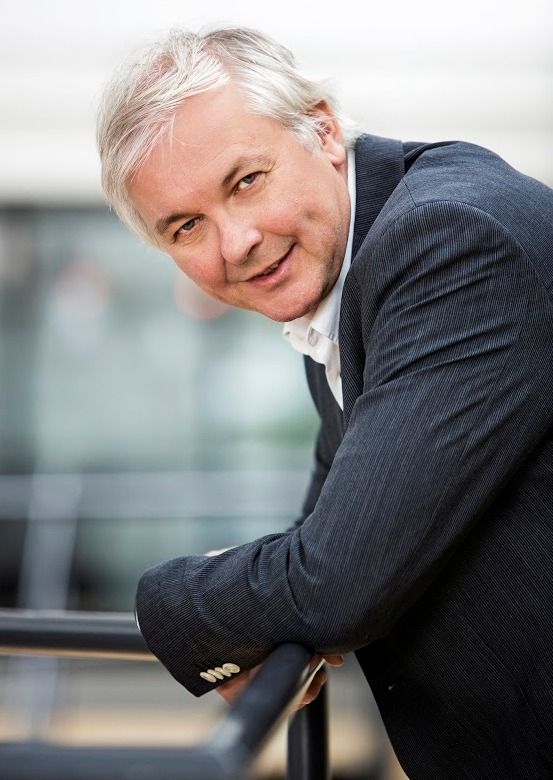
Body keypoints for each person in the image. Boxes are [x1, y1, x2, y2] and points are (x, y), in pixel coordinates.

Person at [97, 27, 553, 779]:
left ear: (324, 130)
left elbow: (336, 583)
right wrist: (259, 612)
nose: (236, 242)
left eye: (246, 180)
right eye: (187, 226)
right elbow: (328, 535)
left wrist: (171, 604)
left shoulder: (447, 241)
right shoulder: (338, 276)